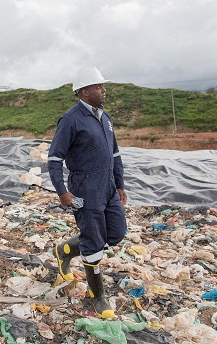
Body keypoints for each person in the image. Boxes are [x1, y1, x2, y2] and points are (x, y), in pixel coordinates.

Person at [47, 66, 128, 319]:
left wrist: (120, 182)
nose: (103, 90)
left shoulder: (105, 118)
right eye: (98, 86)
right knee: (93, 243)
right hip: (85, 188)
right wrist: (62, 192)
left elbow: (115, 154)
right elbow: (53, 159)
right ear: (84, 91)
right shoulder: (70, 120)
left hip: (107, 187)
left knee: (116, 233)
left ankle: (64, 251)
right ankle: (97, 297)